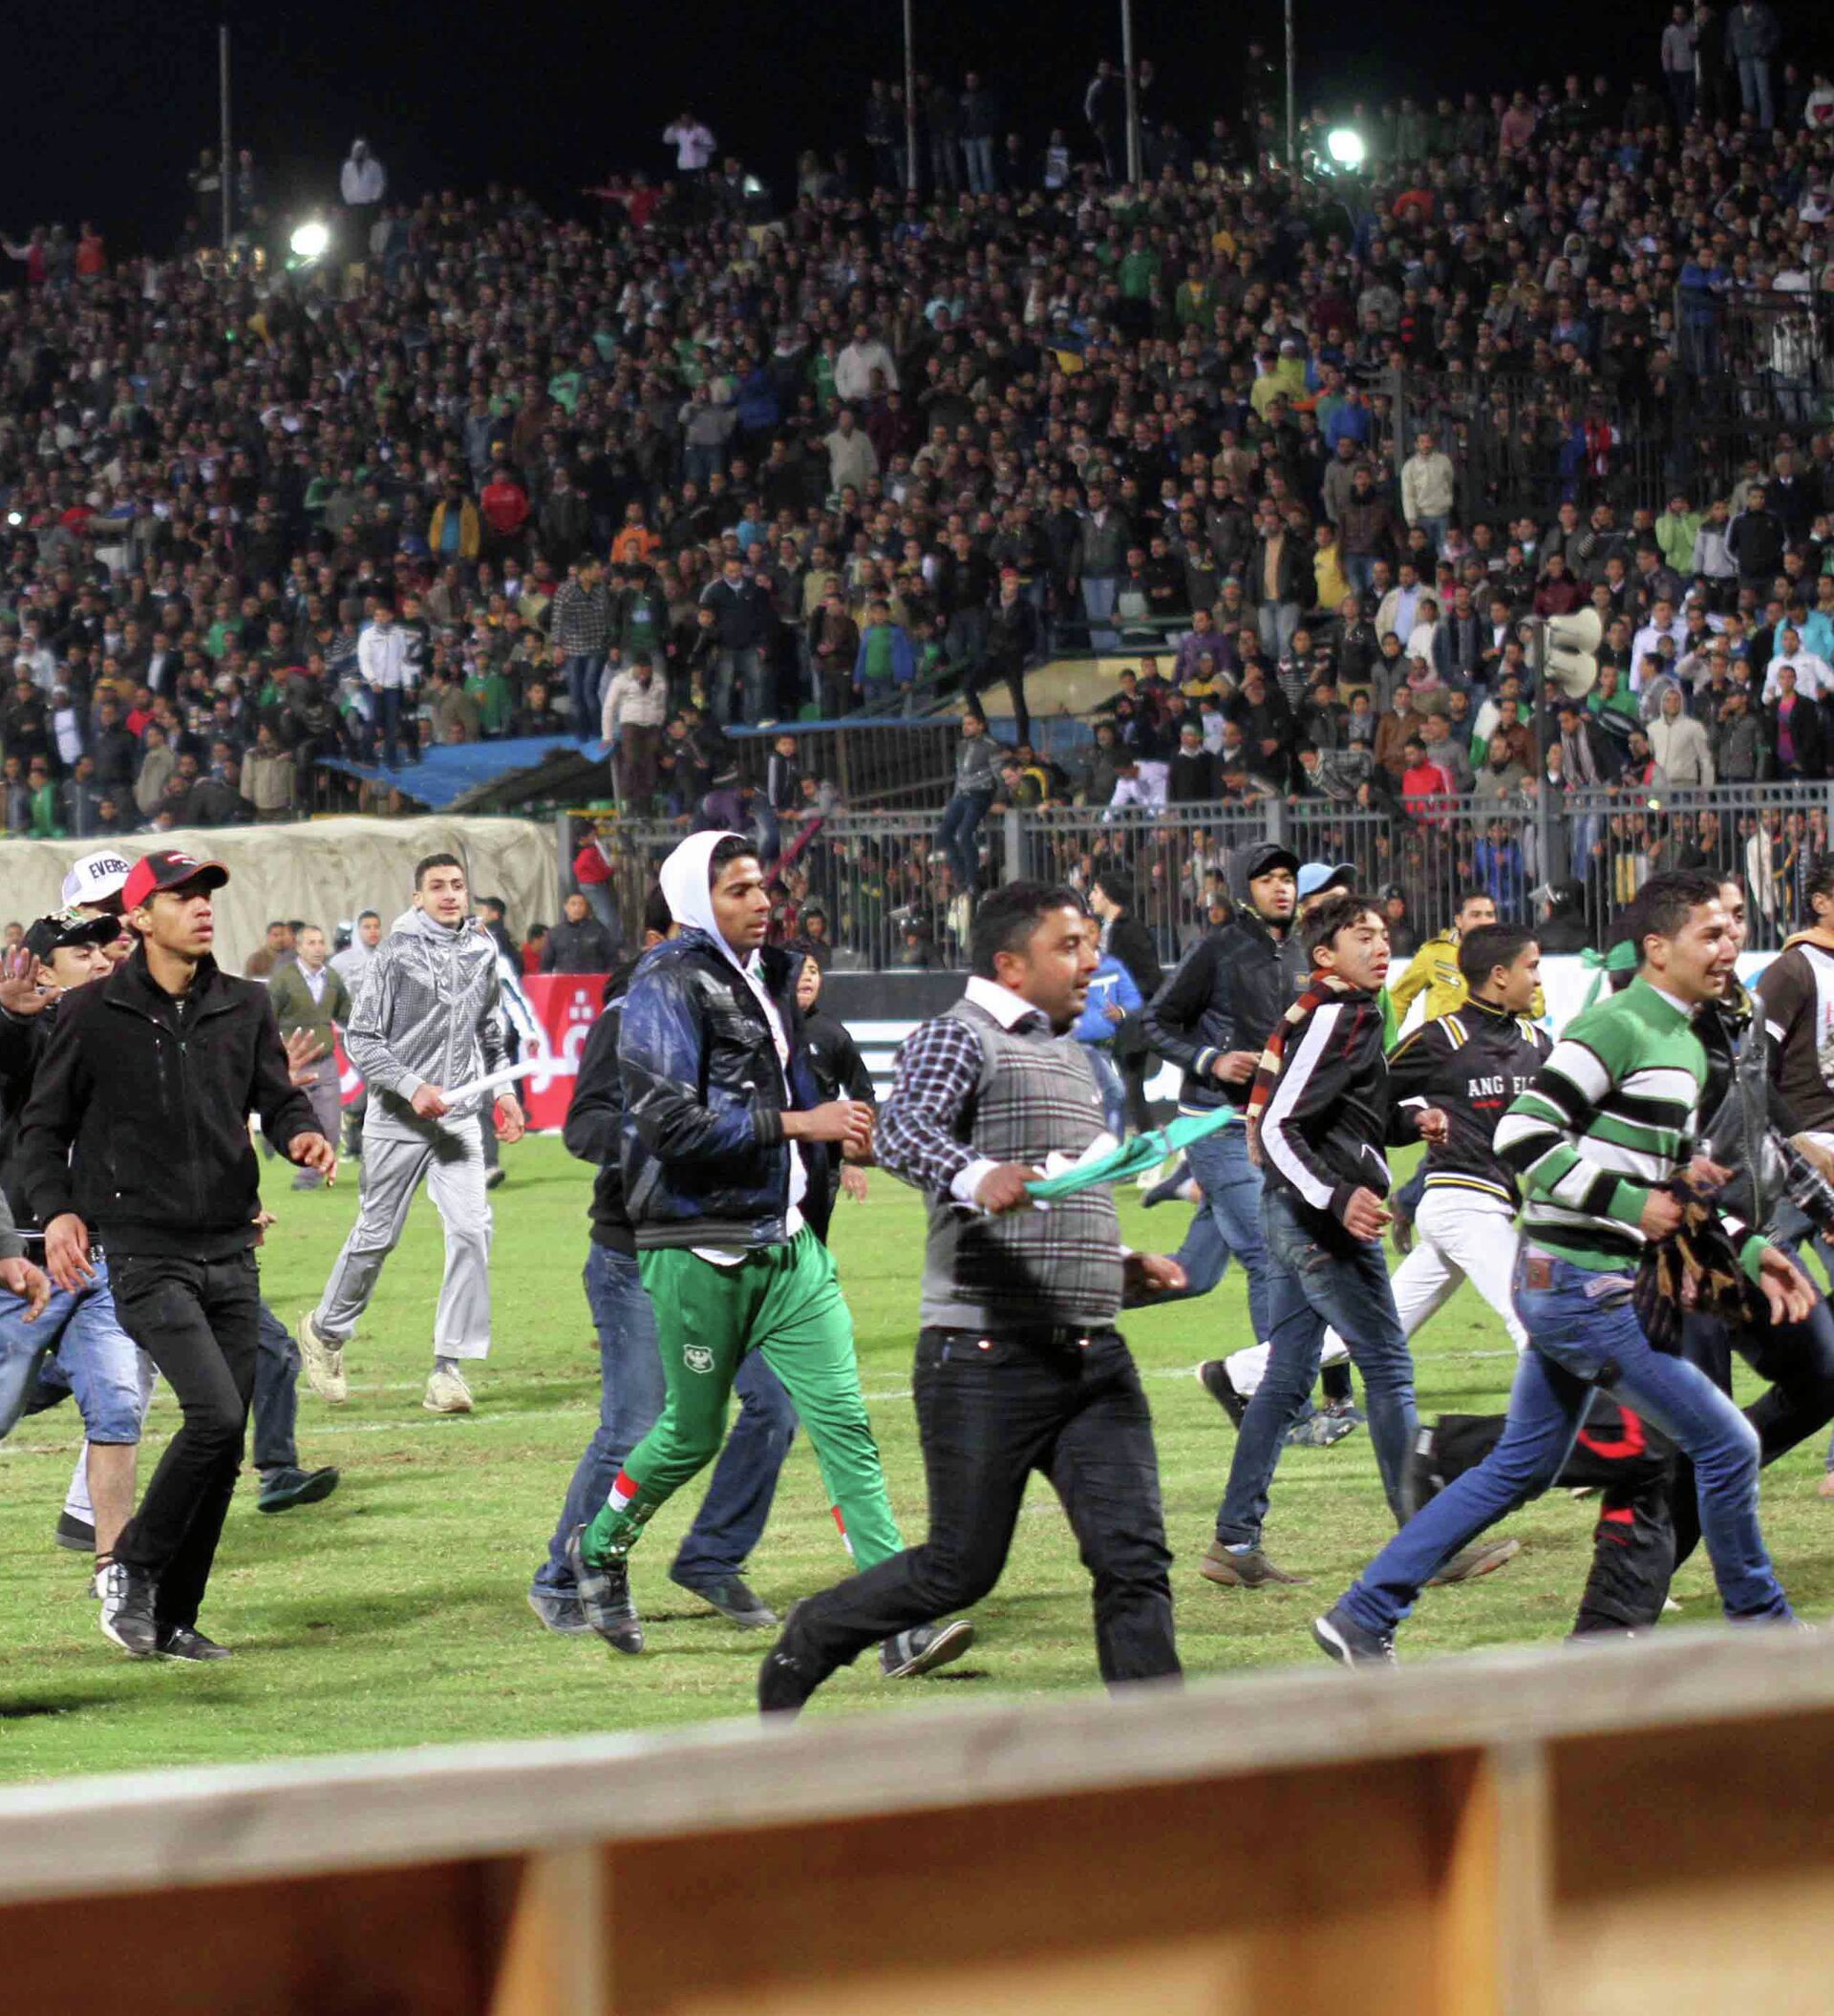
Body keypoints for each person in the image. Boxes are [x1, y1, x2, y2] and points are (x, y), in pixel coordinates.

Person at [1313, 872, 1812, 1665]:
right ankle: (1765, 1629)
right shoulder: (1617, 1025)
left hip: (1573, 1281)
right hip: (1583, 1284)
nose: (1729, 948)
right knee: (1727, 1444)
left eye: (1731, 932)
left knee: (1521, 1466)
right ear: (1658, 949)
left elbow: (1675, 1190)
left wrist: (1752, 1252)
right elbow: (1522, 1133)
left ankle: (1363, 1612)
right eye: (1711, 934)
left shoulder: (1685, 1042)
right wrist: (1629, 1203)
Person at [757, 882, 1186, 1715]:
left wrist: (1117, 1262)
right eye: (1069, 945)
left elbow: (1063, 1192)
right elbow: (902, 1128)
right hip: (985, 1355)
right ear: (1011, 964)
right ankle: (816, 1633)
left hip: (1093, 1353)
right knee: (960, 1569)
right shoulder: (958, 1035)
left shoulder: (1070, 1053)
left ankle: (1165, 1754)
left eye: (1090, 944)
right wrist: (974, 1172)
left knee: (1134, 1560)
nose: (1091, 961)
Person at [568, 831, 970, 1682]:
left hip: (789, 1247)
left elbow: (787, 1096)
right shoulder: (663, 984)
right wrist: (799, 1124)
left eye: (762, 886)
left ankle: (897, 1622)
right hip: (697, 1246)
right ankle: (598, 1548)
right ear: (694, 902)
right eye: (739, 890)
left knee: (846, 1426)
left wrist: (836, 1140)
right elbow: (668, 1125)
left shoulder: (768, 977)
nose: (762, 902)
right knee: (690, 1434)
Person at [19, 849, 335, 1659]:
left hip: (231, 1248)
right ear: (138, 917)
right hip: (143, 1252)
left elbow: (277, 1099)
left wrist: (301, 1133)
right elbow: (43, 1129)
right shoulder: (90, 1013)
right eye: (181, 896)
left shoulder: (245, 1004)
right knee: (217, 1415)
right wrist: (59, 1212)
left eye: (206, 896)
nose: (201, 908)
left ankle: (172, 1617)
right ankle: (128, 1567)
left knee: (222, 1449)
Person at [530, 890, 800, 1638]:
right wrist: (660, 1140)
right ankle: (561, 1578)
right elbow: (583, 1124)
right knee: (636, 1425)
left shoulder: (747, 1017)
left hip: (737, 1246)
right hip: (638, 1255)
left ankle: (711, 1555)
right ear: (656, 941)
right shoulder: (626, 1017)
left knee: (775, 1405)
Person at [1205, 892, 1438, 1586]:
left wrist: (1411, 1120)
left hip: (1297, 1214)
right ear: (1325, 956)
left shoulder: (1347, 1011)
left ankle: (1234, 1545)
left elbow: (1346, 1117)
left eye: (1383, 933)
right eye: (1361, 936)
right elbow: (1279, 1125)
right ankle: (1424, 1544)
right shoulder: (1341, 1013)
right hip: (1319, 1222)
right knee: (1388, 1368)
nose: (1380, 945)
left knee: (1286, 1378)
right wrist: (1338, 1196)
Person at [299, 855, 525, 1416]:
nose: (450, 895)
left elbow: (490, 1028)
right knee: (377, 1236)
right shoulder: (394, 953)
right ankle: (325, 1332)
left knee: (473, 1230)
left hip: (459, 1117)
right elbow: (362, 1038)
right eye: (437, 887)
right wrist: (411, 1085)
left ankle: (448, 1369)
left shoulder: (481, 949)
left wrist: (503, 1091)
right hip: (397, 1118)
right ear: (417, 896)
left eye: (457, 885)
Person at [267, 925, 352, 1190]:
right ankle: (304, 1175)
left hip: (326, 1062)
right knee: (299, 1122)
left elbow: (347, 1014)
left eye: (321, 942)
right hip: (295, 1064)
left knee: (331, 1127)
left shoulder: (332, 978)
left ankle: (311, 1176)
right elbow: (267, 1018)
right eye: (311, 943)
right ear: (299, 948)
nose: (318, 948)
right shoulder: (283, 980)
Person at [1088, 872, 1162, 1145]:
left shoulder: (1131, 931)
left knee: (1131, 1094)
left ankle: (1152, 1148)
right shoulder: (1104, 929)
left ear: (1108, 894)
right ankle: (1119, 1148)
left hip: (1130, 1026)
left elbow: (1152, 979)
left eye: (1095, 891)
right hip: (1108, 1027)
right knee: (1114, 1094)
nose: (1091, 897)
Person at [1071, 914, 1142, 1136]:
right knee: (1114, 1092)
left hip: (1106, 1046)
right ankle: (1112, 1148)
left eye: (1091, 931)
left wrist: (1121, 1011)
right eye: (1081, 932)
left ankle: (1107, 1146)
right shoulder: (1066, 967)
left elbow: (1134, 999)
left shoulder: (1112, 966)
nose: (1086, 937)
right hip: (1077, 1046)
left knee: (1104, 1098)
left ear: (1099, 934)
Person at [935, 711, 1001, 897]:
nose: (966, 727)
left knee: (964, 834)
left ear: (981, 726)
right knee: (943, 834)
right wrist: (953, 798)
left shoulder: (990, 746)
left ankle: (971, 880)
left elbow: (999, 776)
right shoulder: (961, 746)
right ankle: (960, 875)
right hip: (962, 795)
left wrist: (998, 800)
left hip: (980, 794)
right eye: (964, 724)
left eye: (970, 723)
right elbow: (960, 775)